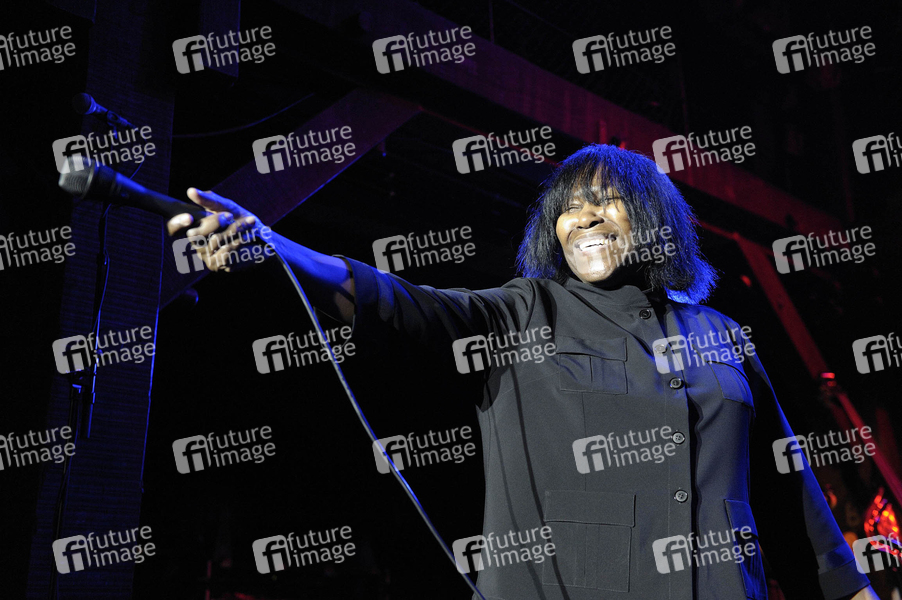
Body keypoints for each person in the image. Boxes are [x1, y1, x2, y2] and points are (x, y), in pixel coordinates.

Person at [168, 145, 879, 600]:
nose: (584, 218)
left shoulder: (721, 336)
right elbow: (402, 302)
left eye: (605, 200)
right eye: (568, 208)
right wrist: (275, 249)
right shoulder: (523, 313)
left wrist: (852, 592)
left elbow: (787, 487)